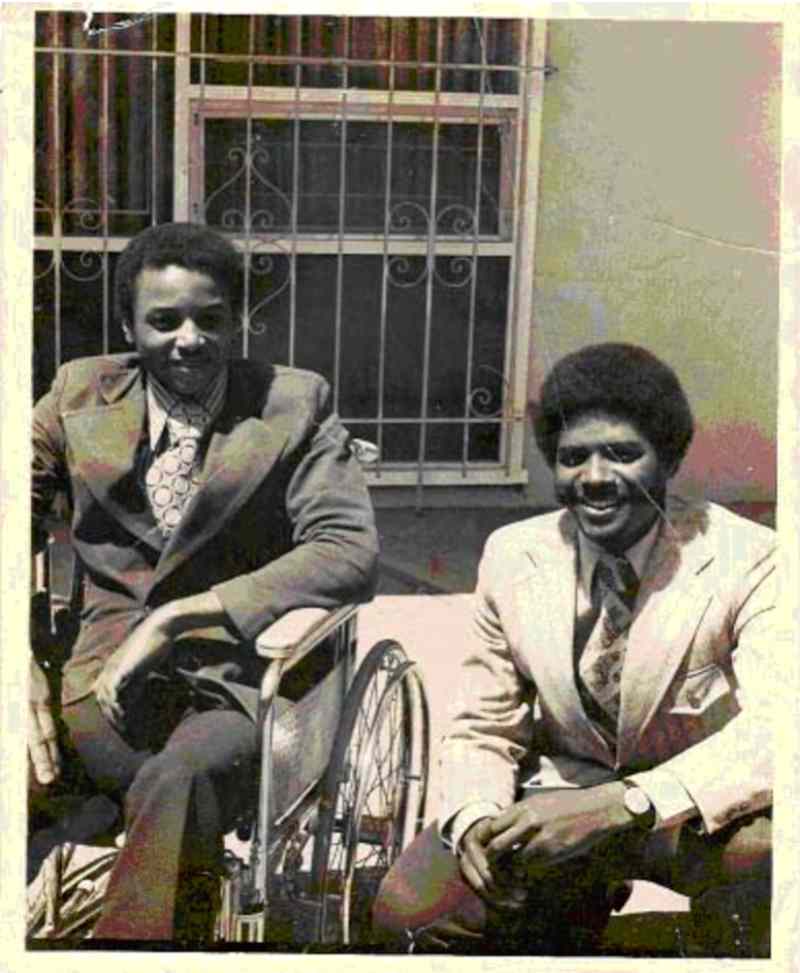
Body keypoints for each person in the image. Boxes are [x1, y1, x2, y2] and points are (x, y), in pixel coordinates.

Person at [28, 222, 379, 943]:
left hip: (230, 686)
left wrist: (181, 617)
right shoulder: (77, 392)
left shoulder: (293, 402)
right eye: (164, 320)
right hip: (95, 688)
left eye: (210, 318)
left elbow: (348, 548)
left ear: (236, 320)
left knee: (181, 780)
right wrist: (16, 660)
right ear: (129, 324)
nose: (189, 338)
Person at [372, 342, 775, 955]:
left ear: (666, 459)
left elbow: (781, 727)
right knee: (411, 909)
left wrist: (627, 803)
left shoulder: (751, 558)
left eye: (622, 454)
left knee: (773, 861)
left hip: (684, 807)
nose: (594, 478)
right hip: (556, 794)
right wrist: (476, 816)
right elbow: (483, 722)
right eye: (573, 457)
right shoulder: (515, 554)